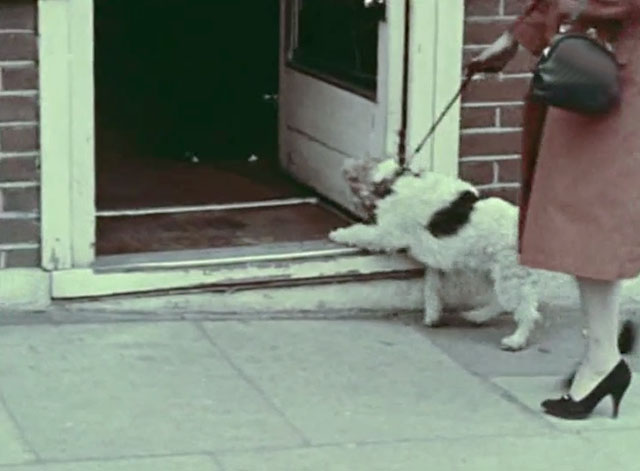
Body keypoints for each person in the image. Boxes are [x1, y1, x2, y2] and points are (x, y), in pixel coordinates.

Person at [468, 0, 640, 420]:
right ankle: (604, 350)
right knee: (594, 213)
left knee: (595, 212)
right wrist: (514, 36)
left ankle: (603, 358)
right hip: (604, 65)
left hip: (620, 71)